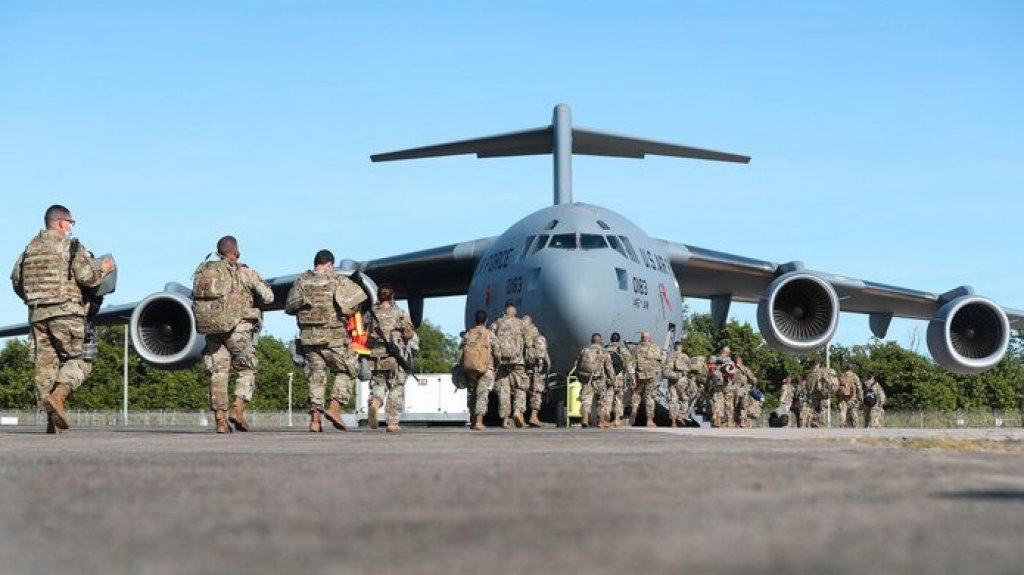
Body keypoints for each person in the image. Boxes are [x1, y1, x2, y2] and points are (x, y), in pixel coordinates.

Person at [10, 205, 116, 434]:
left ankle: (52, 423)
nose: (70, 227)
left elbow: (16, 281)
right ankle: (59, 396)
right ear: (61, 222)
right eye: (70, 222)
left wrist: (36, 299)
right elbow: (88, 279)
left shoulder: (29, 250)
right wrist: (105, 269)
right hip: (67, 312)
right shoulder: (71, 247)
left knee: (45, 367)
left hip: (38, 315)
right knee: (80, 359)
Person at [192, 235, 274, 434]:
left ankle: (220, 420)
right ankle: (237, 409)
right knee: (248, 367)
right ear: (235, 251)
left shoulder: (204, 272)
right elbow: (269, 297)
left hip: (212, 329)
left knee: (218, 372)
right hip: (238, 329)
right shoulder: (244, 272)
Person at [284, 249, 366, 433]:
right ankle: (335, 408)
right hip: (333, 338)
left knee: (316, 376)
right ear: (329, 264)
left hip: (309, 339)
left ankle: (315, 421)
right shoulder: (337, 280)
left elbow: (289, 307)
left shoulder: (301, 281)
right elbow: (354, 306)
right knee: (348, 369)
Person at [366, 284, 416, 433]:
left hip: (376, 356)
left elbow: (365, 331)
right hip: (395, 357)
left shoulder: (371, 313)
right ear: (392, 295)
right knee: (396, 387)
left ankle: (375, 403)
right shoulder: (399, 313)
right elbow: (409, 333)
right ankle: (392, 422)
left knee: (379, 384)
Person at [490, 303, 529, 428]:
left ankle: (505, 419)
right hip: (517, 361)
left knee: (504, 391)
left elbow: (491, 341)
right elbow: (528, 343)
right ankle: (518, 411)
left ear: (504, 311)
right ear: (515, 311)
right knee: (520, 387)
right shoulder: (521, 324)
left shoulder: (496, 323)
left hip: (502, 362)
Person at [460, 310, 495, 430]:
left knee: (472, 394)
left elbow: (460, 352)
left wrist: (463, 366)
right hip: (486, 368)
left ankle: (473, 420)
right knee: (482, 394)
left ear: (475, 320)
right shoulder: (489, 334)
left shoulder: (468, 334)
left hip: (471, 369)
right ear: (486, 320)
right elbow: (498, 351)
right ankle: (479, 421)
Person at [574, 333, 615, 428]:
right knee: (602, 400)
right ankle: (601, 421)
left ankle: (584, 419)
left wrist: (579, 377)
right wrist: (612, 380)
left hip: (586, 378)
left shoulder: (584, 350)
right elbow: (609, 367)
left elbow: (577, 365)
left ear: (591, 341)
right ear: (600, 341)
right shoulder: (604, 352)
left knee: (586, 400)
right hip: (599, 379)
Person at [630, 331, 664, 427]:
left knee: (637, 393)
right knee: (649, 397)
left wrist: (633, 378)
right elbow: (661, 360)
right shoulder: (655, 347)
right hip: (651, 376)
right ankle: (649, 420)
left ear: (641, 338)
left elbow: (631, 364)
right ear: (649, 338)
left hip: (639, 375)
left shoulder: (635, 349)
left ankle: (634, 410)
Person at [522, 315, 549, 428]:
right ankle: (533, 416)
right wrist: (545, 370)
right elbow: (543, 356)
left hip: (521, 369)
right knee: (536, 392)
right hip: (535, 369)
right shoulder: (537, 336)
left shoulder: (519, 335)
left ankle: (518, 415)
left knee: (520, 392)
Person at [605, 332, 634, 428]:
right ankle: (617, 420)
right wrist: (632, 379)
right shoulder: (623, 350)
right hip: (619, 377)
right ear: (619, 340)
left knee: (607, 398)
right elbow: (629, 366)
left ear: (611, 339)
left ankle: (606, 418)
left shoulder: (604, 349)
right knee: (619, 399)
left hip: (606, 377)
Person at [664, 341, 691, 426]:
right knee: (685, 399)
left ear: (674, 347)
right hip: (682, 381)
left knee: (673, 400)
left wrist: (675, 375)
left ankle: (673, 421)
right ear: (681, 347)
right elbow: (689, 369)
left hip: (672, 381)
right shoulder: (685, 357)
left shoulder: (670, 357)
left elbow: (665, 372)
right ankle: (681, 415)